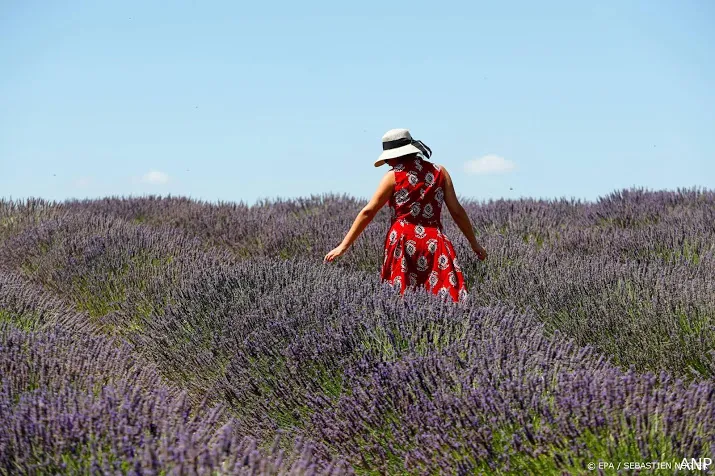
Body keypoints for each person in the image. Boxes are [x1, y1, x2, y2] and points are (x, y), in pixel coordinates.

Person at [324, 128, 487, 302]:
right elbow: (457, 211)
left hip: (403, 241)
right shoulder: (440, 172)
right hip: (435, 242)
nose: (387, 162)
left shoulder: (393, 176)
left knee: (400, 301)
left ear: (396, 154)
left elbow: (368, 212)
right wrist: (474, 243)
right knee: (446, 299)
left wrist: (344, 246)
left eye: (388, 157)